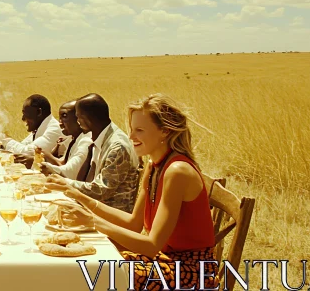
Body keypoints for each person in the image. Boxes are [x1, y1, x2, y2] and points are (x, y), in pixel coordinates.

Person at [53, 94, 217, 290]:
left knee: (100, 274)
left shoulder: (177, 171)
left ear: (164, 132)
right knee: (89, 263)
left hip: (191, 272)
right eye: (131, 129)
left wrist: (92, 221)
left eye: (139, 130)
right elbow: (133, 224)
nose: (131, 137)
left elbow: (151, 245)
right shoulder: (154, 166)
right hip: (165, 260)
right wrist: (78, 195)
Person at [45, 93, 140, 212]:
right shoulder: (99, 139)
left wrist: (64, 183)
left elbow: (101, 190)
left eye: (78, 116)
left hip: (112, 216)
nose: (77, 121)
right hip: (94, 209)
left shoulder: (117, 147)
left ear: (87, 118)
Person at [39, 100, 92, 178]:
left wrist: (46, 156)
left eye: (64, 116)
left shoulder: (86, 141)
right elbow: (63, 162)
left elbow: (69, 172)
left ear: (79, 117)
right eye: (59, 118)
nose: (60, 123)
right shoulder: (74, 139)